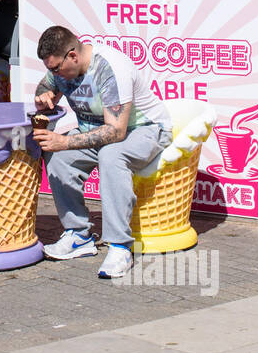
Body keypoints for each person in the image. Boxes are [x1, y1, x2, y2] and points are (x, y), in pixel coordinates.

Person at [31, 25, 173, 279]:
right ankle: (78, 235)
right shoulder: (61, 67)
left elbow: (116, 132)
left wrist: (63, 141)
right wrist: (43, 95)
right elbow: (44, 85)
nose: (54, 74)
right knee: (56, 155)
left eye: (55, 68)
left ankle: (120, 246)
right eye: (50, 69)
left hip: (144, 130)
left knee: (111, 154)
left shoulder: (110, 68)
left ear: (73, 55)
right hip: (97, 130)